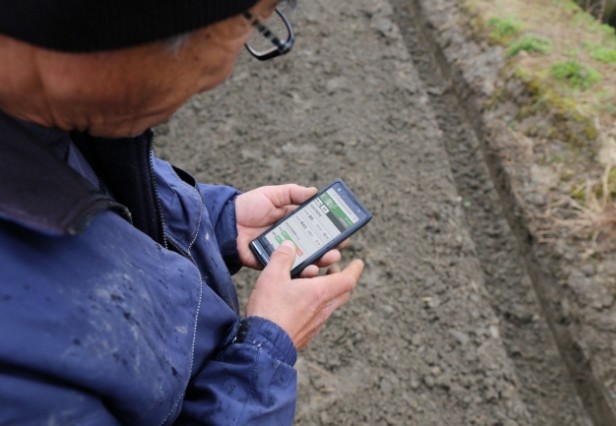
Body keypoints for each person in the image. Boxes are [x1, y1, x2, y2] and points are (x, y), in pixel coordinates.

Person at [0, 0, 365, 424]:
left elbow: (105, 213)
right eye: (252, 25)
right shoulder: (18, 379)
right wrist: (262, 357)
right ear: (124, 36)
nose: (223, 72)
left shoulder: (54, 115)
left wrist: (217, 221)